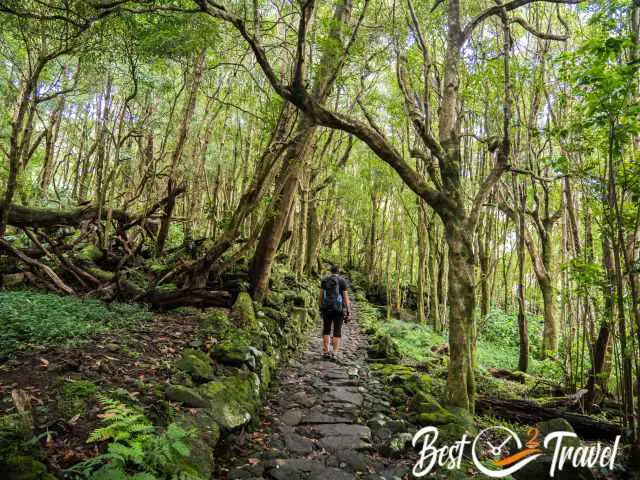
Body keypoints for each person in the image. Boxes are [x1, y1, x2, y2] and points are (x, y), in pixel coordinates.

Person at [319, 265, 352, 359]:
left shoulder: (324, 280)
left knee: (326, 330)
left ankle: (326, 351)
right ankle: (334, 352)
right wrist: (348, 311)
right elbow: (346, 298)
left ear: (330, 271)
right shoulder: (342, 281)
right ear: (339, 271)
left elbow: (320, 296)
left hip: (326, 309)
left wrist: (321, 307)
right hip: (339, 309)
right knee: (337, 331)